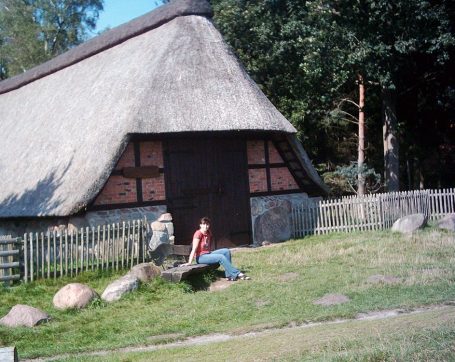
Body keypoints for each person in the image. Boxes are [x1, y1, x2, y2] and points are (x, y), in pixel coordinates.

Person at [181, 217, 250, 281]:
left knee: (226, 251)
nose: (205, 226)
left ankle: (229, 276)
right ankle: (238, 273)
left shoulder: (208, 233)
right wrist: (189, 262)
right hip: (200, 257)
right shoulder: (198, 233)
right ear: (200, 225)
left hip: (208, 254)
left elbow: (207, 246)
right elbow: (194, 249)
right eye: (204, 224)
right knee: (220, 257)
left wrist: (211, 253)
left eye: (207, 224)